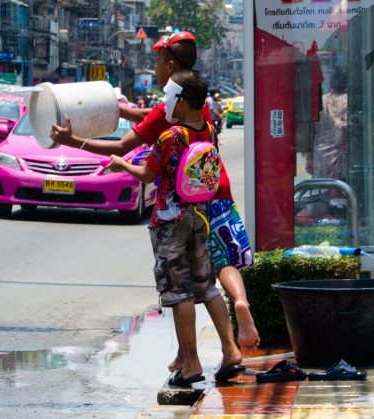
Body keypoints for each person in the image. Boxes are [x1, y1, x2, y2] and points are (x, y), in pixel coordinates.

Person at [50, 31, 259, 360]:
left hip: (178, 210)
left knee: (180, 289)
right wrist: (124, 112)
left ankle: (189, 358)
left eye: (157, 62)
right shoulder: (198, 105)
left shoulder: (169, 125)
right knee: (215, 274)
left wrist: (73, 141)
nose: (156, 68)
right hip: (215, 196)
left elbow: (131, 152)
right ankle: (230, 331)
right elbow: (154, 116)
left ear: (170, 65)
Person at [105, 69, 243, 386]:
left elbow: (147, 175)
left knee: (178, 292)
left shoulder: (170, 137)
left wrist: (119, 163)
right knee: (207, 287)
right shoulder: (208, 130)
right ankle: (231, 349)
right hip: (200, 216)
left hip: (171, 222)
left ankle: (191, 363)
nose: (166, 102)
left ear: (180, 101)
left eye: (169, 96)